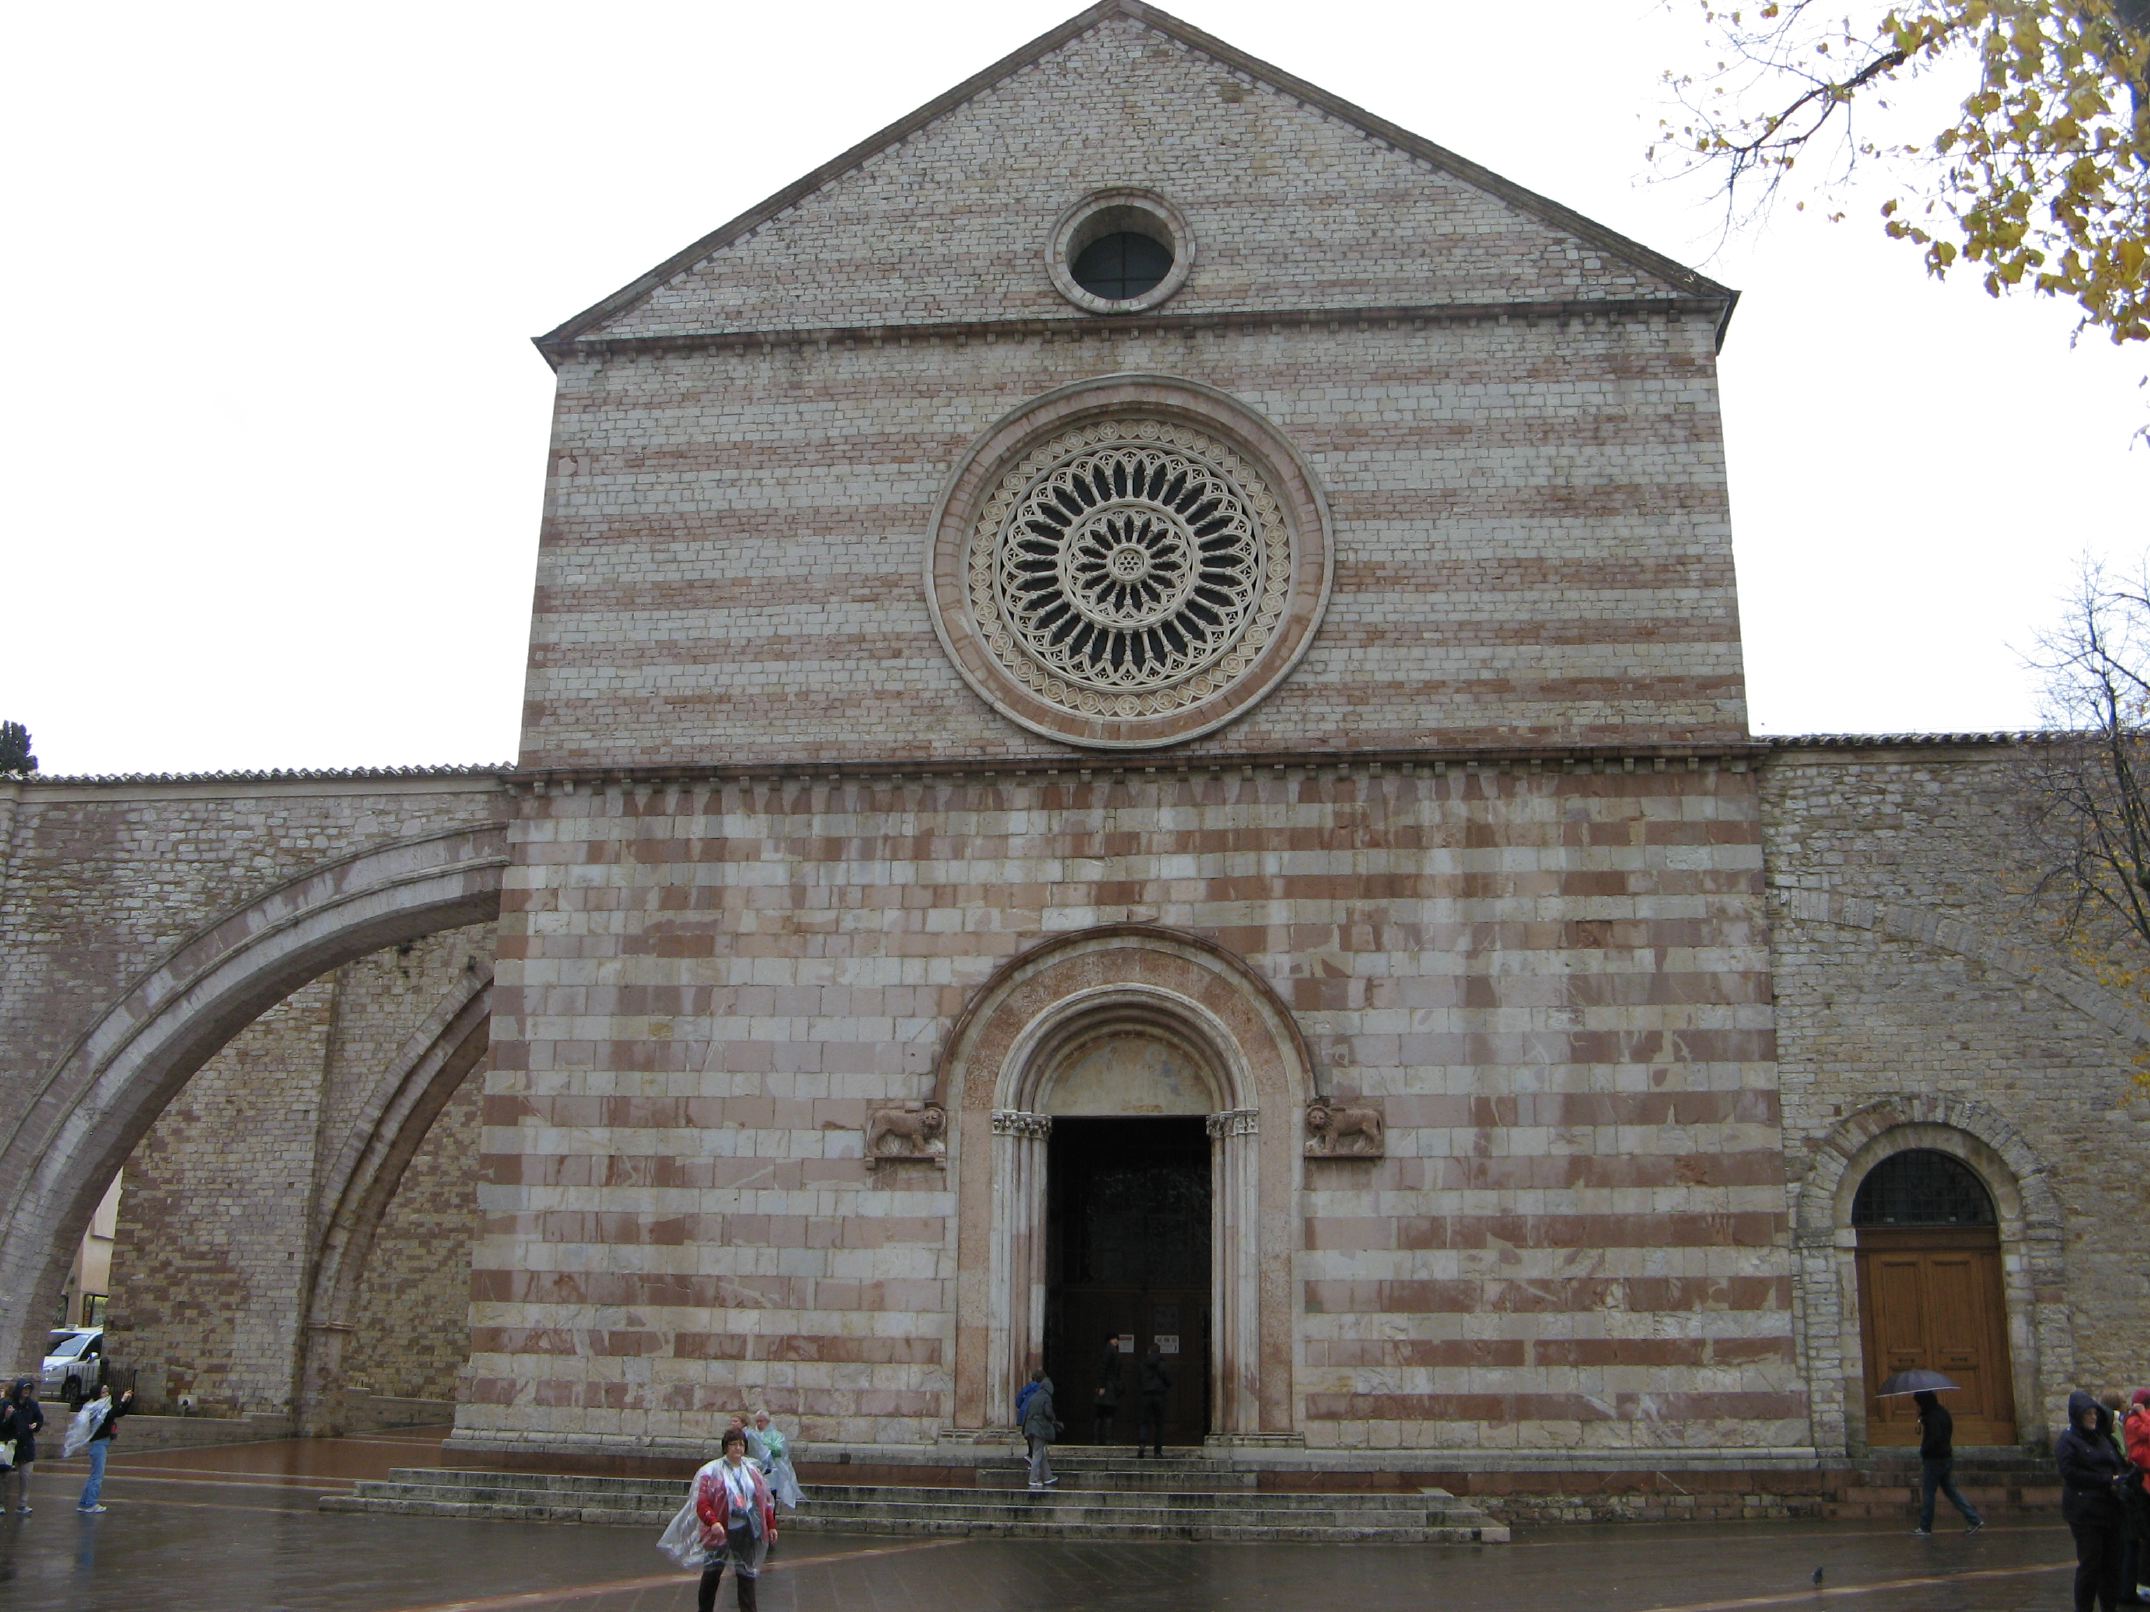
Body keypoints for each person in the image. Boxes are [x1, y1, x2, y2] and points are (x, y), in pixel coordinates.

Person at [2059, 1388, 2131, 1612]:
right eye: (2087, 1414)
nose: (2092, 1417)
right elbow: (2070, 1473)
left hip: (2109, 1508)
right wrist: (2105, 1479)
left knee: (2112, 1565)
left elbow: (2116, 1461)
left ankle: (2109, 1607)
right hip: (2085, 1511)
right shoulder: (2068, 1440)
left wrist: (2121, 1476)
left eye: (2094, 1413)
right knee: (2091, 1564)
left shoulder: (2101, 1437)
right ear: (2078, 1415)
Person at [691, 1427, 777, 1612]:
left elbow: (764, 1500)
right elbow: (702, 1502)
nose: (738, 1448)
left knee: (747, 1575)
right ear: (725, 1447)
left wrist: (770, 1525)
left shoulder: (752, 1470)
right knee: (712, 1574)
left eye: (741, 1444)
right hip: (720, 1530)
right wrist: (713, 1522)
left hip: (745, 1529)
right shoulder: (711, 1470)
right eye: (733, 1444)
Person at [1910, 1388, 1983, 1536]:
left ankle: (1925, 1526)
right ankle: (1974, 1519)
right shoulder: (1942, 1412)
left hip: (1934, 1459)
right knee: (1950, 1490)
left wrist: (1924, 1450)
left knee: (1929, 1492)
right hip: (1946, 1456)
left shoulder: (1931, 1417)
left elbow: (1933, 1438)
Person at [66, 1384, 132, 1514]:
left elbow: (119, 1412)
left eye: (107, 1391)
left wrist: (126, 1401)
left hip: (99, 1443)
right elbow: (113, 1413)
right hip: (98, 1443)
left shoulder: (98, 1407)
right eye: (103, 1392)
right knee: (97, 1476)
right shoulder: (98, 1409)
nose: (107, 1394)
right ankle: (90, 1503)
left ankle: (84, 1503)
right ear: (98, 1395)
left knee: (94, 1475)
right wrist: (123, 1400)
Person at [2124, 1388, 2150, 1606]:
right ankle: (2143, 1585)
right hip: (2143, 1484)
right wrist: (2142, 1414)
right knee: (2147, 1537)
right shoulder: (2134, 1421)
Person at [4, 1378, 43, 1513]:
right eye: (24, 1388)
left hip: (26, 1444)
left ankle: (22, 1504)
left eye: (28, 1389)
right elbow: (2, 1426)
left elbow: (39, 1419)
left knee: (26, 1475)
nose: (26, 1391)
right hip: (10, 1444)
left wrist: (36, 1425)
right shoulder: (8, 1403)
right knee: (4, 1476)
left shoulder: (32, 1405)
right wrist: (7, 1417)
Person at [751, 1410, 803, 1510]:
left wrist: (770, 1448)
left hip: (771, 1473)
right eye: (757, 1421)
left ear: (767, 1421)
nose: (759, 1424)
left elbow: (780, 1453)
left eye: (761, 1421)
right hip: (756, 1472)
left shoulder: (777, 1436)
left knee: (770, 1501)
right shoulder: (753, 1436)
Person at [1022, 1368, 1061, 1491]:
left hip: (1029, 1427)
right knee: (1037, 1454)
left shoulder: (1034, 1396)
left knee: (1039, 1452)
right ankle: (1033, 1479)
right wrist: (1054, 1420)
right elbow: (1048, 1412)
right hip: (1038, 1428)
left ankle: (1048, 1477)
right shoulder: (1045, 1397)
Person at [1136, 1341, 1170, 1459]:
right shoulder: (1163, 1364)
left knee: (1144, 1421)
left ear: (1149, 1352)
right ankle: (1157, 1451)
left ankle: (1142, 1444)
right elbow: (1168, 1379)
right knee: (1159, 1424)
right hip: (1159, 1396)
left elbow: (1139, 1379)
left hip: (1146, 1395)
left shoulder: (1143, 1363)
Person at [1094, 1336, 1122, 1445]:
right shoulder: (1110, 1351)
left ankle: (1097, 1439)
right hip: (1108, 1387)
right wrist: (1102, 1386)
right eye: (1116, 1339)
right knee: (1108, 1413)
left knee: (1100, 1414)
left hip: (1106, 1385)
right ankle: (1107, 1439)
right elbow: (1103, 1368)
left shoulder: (1107, 1350)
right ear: (1111, 1339)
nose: (1117, 1342)